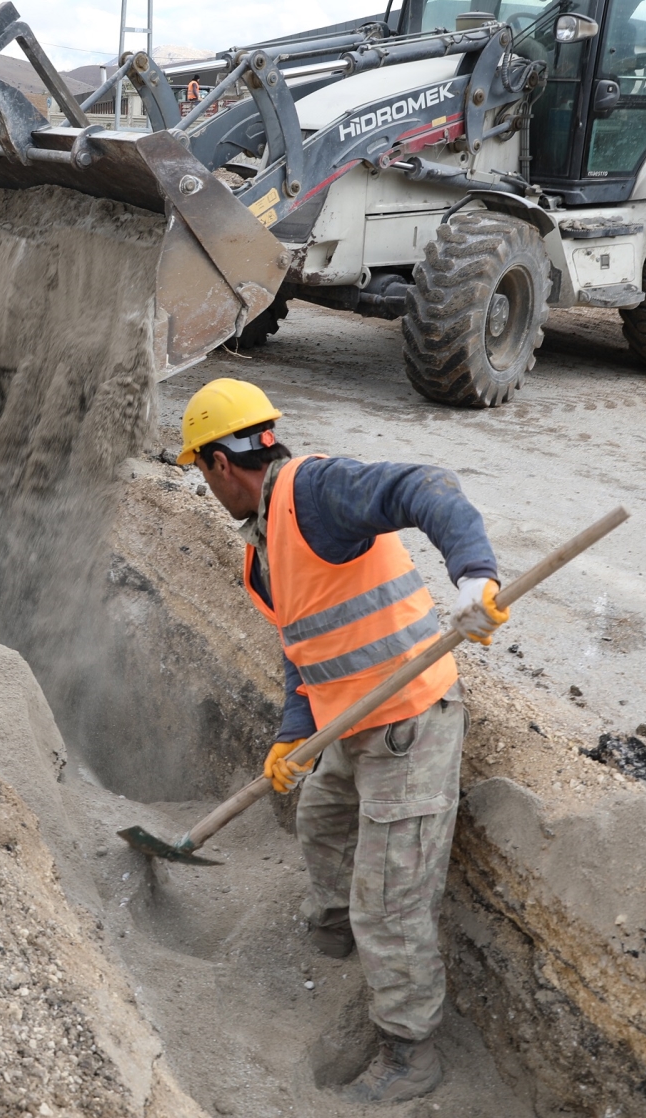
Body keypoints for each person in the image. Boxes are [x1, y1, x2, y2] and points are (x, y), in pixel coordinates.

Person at [178, 377, 508, 1105]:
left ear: (219, 464)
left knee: (391, 902)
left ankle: (410, 1053)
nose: (206, 486)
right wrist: (292, 736)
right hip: (351, 723)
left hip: (410, 722)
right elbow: (304, 650)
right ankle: (336, 936)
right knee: (321, 818)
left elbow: (424, 486)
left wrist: (474, 575)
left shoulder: (316, 493)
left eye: (201, 473)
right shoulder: (263, 544)